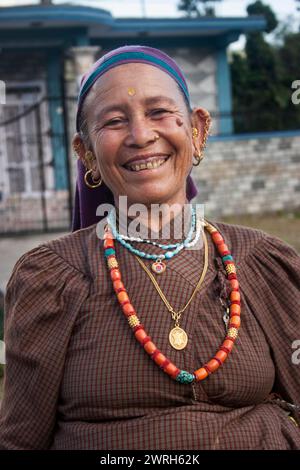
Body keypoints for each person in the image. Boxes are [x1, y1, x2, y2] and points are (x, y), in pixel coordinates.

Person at [0, 45, 299, 450]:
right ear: (86, 154)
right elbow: (20, 440)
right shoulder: (52, 277)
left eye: (159, 112)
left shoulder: (263, 262)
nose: (141, 136)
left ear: (197, 131)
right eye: (114, 121)